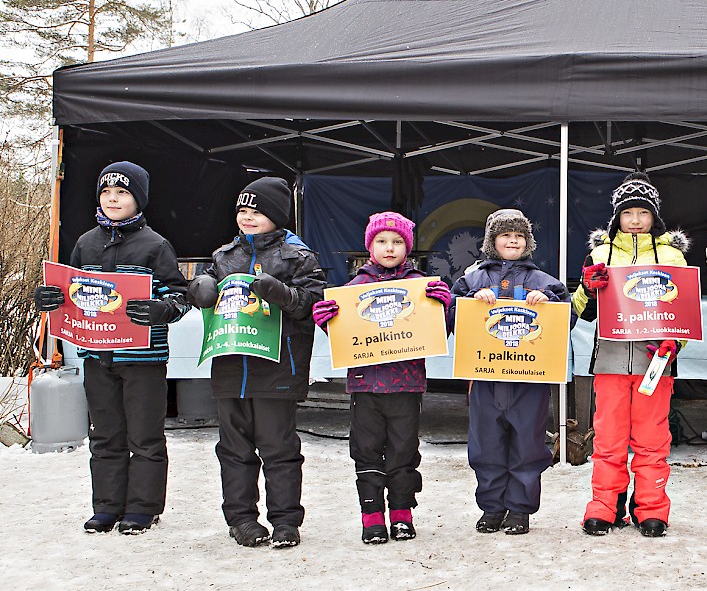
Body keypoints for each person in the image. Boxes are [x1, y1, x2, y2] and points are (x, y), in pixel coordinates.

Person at [34, 162, 189, 535]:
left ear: (138, 199)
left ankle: (143, 507)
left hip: (142, 360)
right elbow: (69, 292)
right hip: (96, 357)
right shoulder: (86, 243)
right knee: (104, 433)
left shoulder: (155, 245)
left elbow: (180, 297)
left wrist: (162, 309)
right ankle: (106, 506)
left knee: (144, 435)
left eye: (122, 193)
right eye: (106, 193)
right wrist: (50, 298)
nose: (113, 199)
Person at [187, 177, 326, 549]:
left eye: (257, 211)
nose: (248, 218)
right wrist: (200, 287)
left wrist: (283, 294)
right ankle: (242, 519)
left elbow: (314, 304)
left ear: (277, 216)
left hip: (278, 368)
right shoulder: (223, 256)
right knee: (233, 449)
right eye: (242, 211)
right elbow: (205, 291)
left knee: (279, 448)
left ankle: (285, 522)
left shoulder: (299, 256)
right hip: (230, 366)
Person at [311, 212, 452, 544]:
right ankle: (371, 516)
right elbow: (341, 335)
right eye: (382, 241)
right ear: (370, 245)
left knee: (404, 452)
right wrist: (325, 321)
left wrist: (445, 310)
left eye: (398, 242)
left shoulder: (422, 286)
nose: (390, 248)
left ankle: (402, 514)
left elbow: (439, 331)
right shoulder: (353, 288)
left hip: (406, 385)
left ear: (408, 247)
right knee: (367, 451)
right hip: (365, 385)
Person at [572, 172, 690, 538]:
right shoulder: (600, 253)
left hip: (655, 363)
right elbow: (582, 311)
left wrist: (675, 344)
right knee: (608, 438)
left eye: (643, 213)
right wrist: (589, 289)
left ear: (655, 217)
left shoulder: (672, 254)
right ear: (617, 217)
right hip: (609, 360)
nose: (635, 220)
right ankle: (605, 506)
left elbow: (683, 311)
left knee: (653, 439)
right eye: (628, 213)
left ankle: (651, 509)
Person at [449, 208, 569, 536]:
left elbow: (565, 317)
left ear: (527, 242)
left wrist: (547, 301)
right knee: (485, 445)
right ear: (492, 241)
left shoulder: (544, 281)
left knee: (528, 446)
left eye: (519, 235)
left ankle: (519, 510)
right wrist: (470, 300)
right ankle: (492, 508)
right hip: (485, 379)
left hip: (529, 382)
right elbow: (448, 317)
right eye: (505, 235)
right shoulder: (472, 279)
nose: (512, 240)